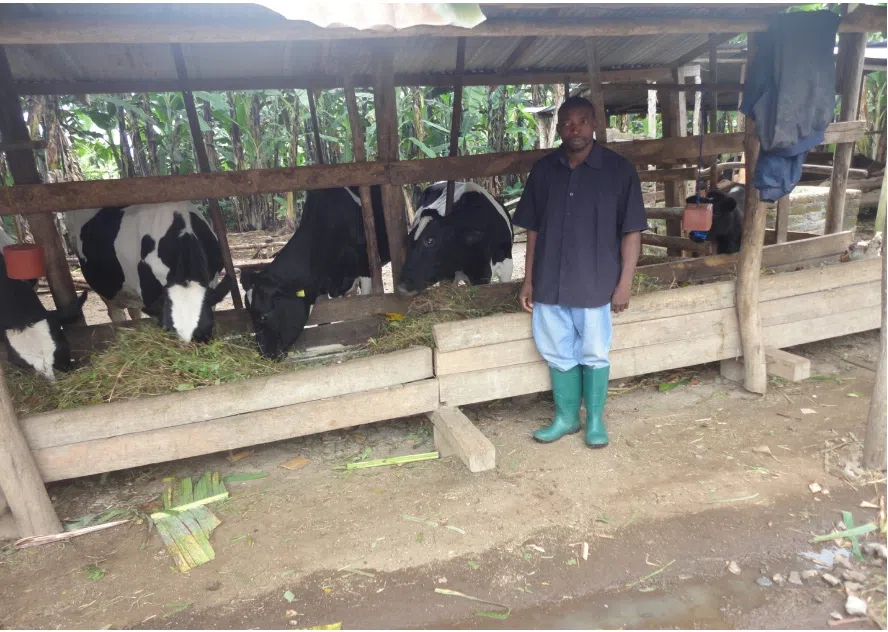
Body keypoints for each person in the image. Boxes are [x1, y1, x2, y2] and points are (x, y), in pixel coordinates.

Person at [512, 96, 646, 448]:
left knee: (594, 351)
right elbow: (533, 230)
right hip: (550, 282)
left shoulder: (619, 171)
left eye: (582, 121)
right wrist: (528, 280)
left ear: (594, 125)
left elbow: (632, 231)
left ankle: (596, 421)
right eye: (568, 122)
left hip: (594, 282)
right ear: (558, 128)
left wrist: (625, 284)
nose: (575, 129)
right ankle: (566, 418)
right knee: (556, 350)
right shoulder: (544, 171)